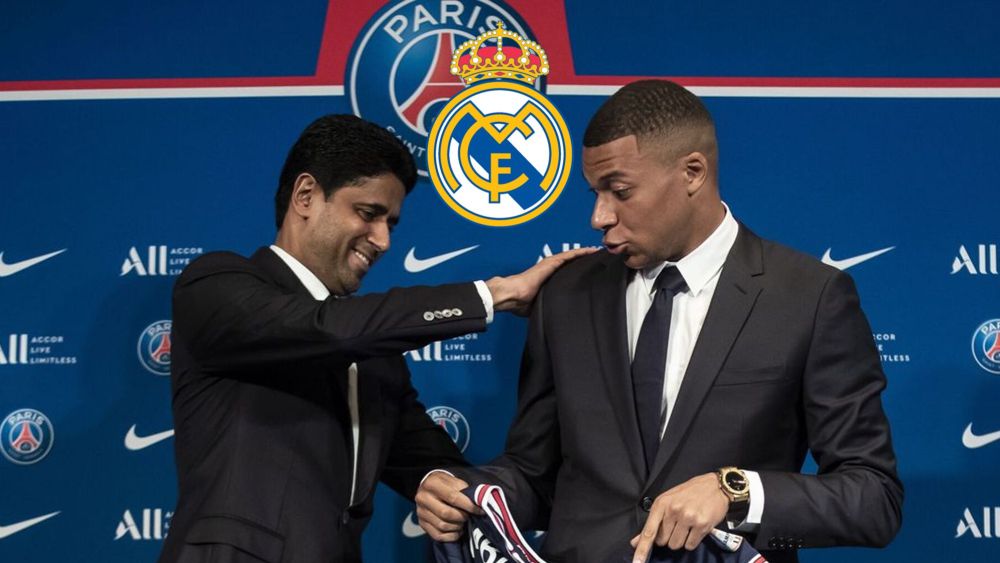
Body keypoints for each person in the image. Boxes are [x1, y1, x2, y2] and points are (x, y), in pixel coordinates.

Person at [416, 80, 903, 563]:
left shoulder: (809, 297)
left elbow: (874, 498)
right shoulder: (567, 295)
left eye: (620, 191)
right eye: (595, 193)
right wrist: (470, 494)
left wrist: (735, 492)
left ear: (692, 173)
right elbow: (534, 472)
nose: (599, 217)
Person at [157, 114, 592, 563]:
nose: (383, 240)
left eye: (391, 223)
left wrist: (442, 487)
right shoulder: (214, 286)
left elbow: (429, 463)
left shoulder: (376, 356)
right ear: (306, 196)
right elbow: (326, 328)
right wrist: (493, 294)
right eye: (368, 214)